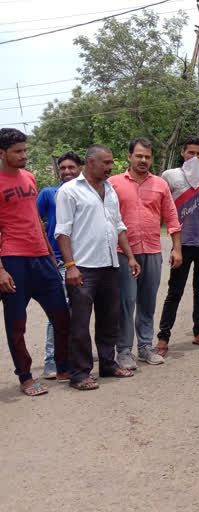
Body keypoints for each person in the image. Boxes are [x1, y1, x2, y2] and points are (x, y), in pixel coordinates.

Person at [56, 144, 140, 390]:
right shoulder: (70, 191)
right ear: (90, 162)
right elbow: (62, 232)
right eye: (106, 162)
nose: (110, 167)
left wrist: (131, 257)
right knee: (80, 324)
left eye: (111, 162)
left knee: (109, 320)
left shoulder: (110, 189)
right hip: (82, 268)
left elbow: (118, 226)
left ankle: (107, 364)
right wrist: (70, 266)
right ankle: (80, 374)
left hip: (109, 265)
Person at [0, 128, 70, 396]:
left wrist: (51, 256)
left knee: (62, 315)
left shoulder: (29, 177)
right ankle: (26, 376)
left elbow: (35, 220)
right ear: (2, 153)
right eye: (18, 151)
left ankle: (62, 366)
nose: (24, 155)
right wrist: (1, 270)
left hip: (42, 257)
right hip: (13, 260)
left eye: (25, 150)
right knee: (17, 323)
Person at [109, 138, 182, 370]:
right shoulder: (113, 184)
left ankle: (144, 347)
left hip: (151, 250)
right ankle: (123, 351)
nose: (143, 160)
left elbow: (171, 217)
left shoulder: (160, 184)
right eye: (139, 156)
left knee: (147, 302)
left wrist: (177, 248)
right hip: (123, 252)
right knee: (126, 302)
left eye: (147, 157)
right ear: (129, 156)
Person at [157, 136, 199, 354]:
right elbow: (162, 207)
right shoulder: (169, 176)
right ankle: (163, 338)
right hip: (181, 244)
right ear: (183, 153)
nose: (195, 157)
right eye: (191, 153)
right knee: (174, 291)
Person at [36, 151, 81, 379]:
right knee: (60, 311)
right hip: (60, 261)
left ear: (80, 169)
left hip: (85, 261)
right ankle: (51, 360)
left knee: (80, 311)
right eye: (62, 168)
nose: (66, 172)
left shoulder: (89, 192)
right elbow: (35, 222)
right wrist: (48, 256)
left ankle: (75, 354)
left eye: (71, 167)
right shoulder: (48, 193)